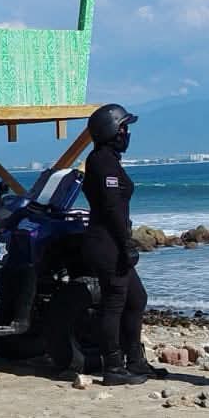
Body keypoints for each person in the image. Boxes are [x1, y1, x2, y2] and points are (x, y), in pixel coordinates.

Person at [80, 103, 160, 386]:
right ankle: (113, 365)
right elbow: (112, 208)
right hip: (107, 242)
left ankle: (136, 360)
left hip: (112, 240)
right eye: (123, 127)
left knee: (136, 298)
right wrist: (126, 244)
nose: (127, 133)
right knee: (114, 303)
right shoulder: (102, 161)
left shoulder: (109, 160)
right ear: (111, 130)